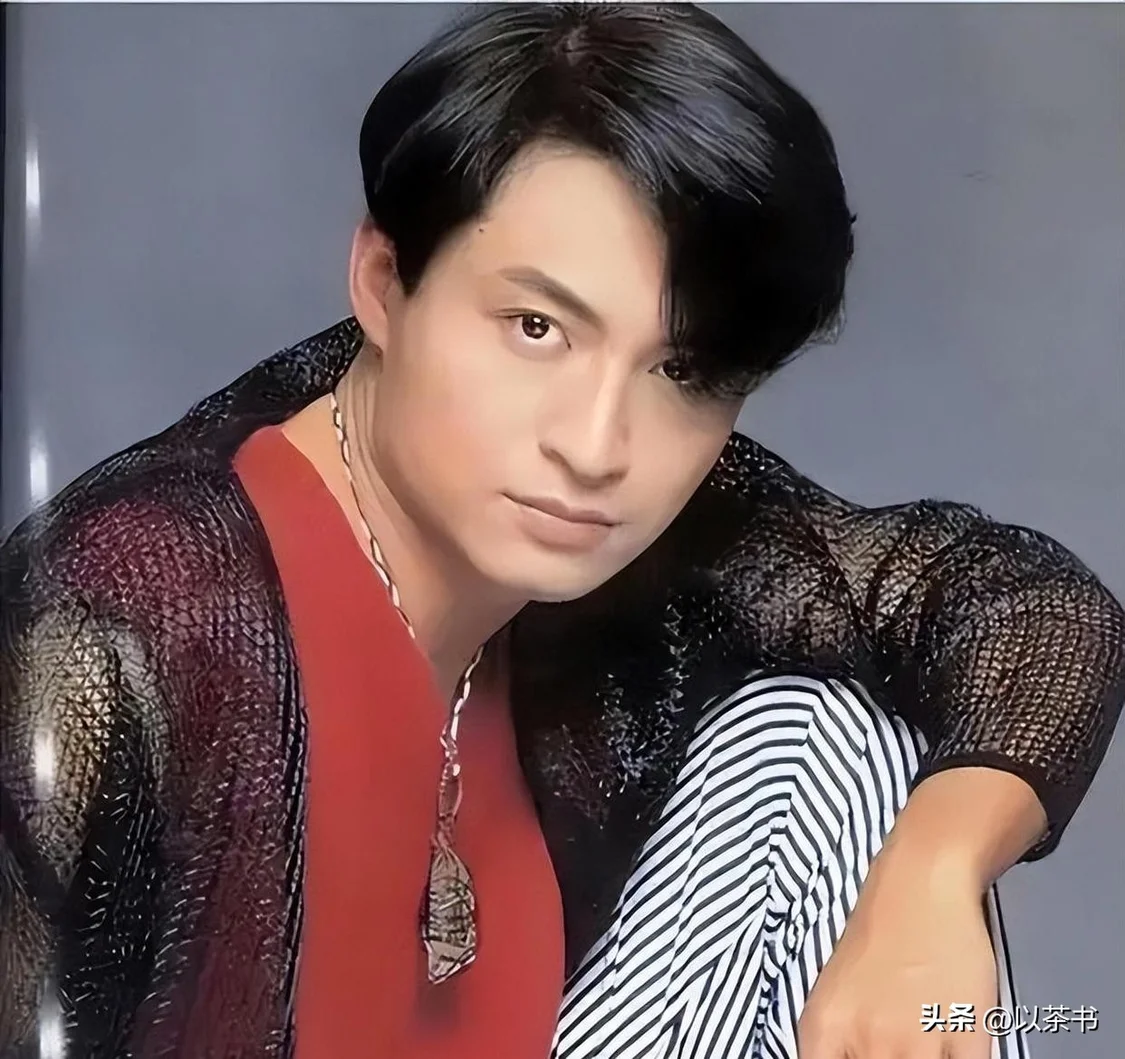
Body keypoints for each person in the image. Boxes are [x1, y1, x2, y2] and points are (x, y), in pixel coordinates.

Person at [1, 4, 1122, 1058]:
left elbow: (1019, 604)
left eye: (679, 370)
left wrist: (933, 874)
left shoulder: (661, 530)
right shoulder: (107, 626)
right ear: (384, 283)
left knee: (831, 751)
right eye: (536, 327)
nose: (595, 445)